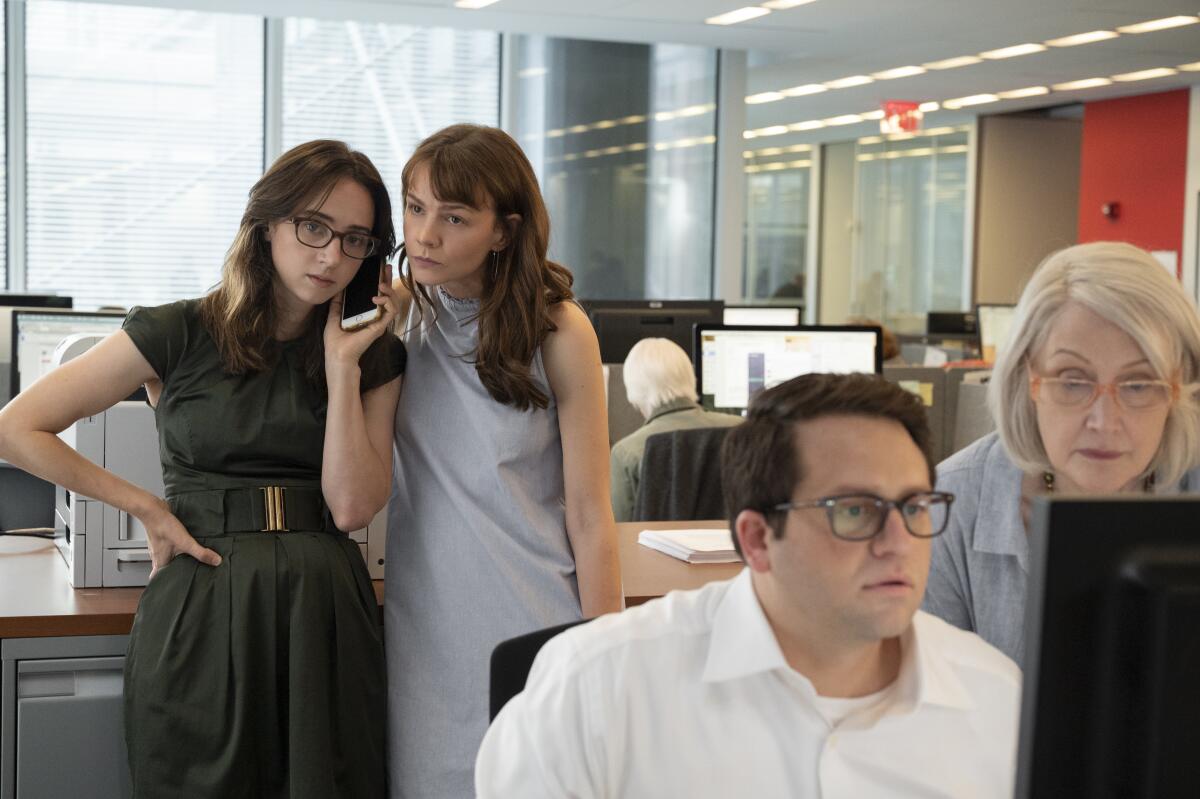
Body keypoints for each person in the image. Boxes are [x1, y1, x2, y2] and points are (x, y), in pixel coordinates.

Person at [0, 140, 405, 797]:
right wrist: (144, 506)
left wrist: (342, 364)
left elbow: (354, 507)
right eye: (313, 227)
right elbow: (16, 428)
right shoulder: (178, 331)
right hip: (205, 604)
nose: (331, 255)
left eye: (356, 239)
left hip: (324, 614)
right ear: (267, 223)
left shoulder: (373, 355)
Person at [476, 373, 1021, 798]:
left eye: (915, 506)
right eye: (855, 511)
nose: (899, 541)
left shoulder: (996, 698)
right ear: (757, 539)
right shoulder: (597, 690)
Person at [386, 124, 623, 797]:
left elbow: (590, 512)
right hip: (427, 627)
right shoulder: (399, 318)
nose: (424, 234)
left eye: (454, 216)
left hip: (534, 612)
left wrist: (606, 654)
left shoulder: (559, 329)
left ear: (503, 230)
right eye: (415, 206)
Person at [923, 241, 1200, 666]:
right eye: (1073, 381)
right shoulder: (950, 504)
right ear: (1027, 377)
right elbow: (926, 708)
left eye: (1139, 383)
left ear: (1178, 389)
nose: (1105, 422)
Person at [609, 337, 741, 521]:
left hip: (652, 551)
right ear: (690, 377)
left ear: (634, 392)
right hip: (741, 548)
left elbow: (620, 532)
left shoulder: (627, 453)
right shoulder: (745, 431)